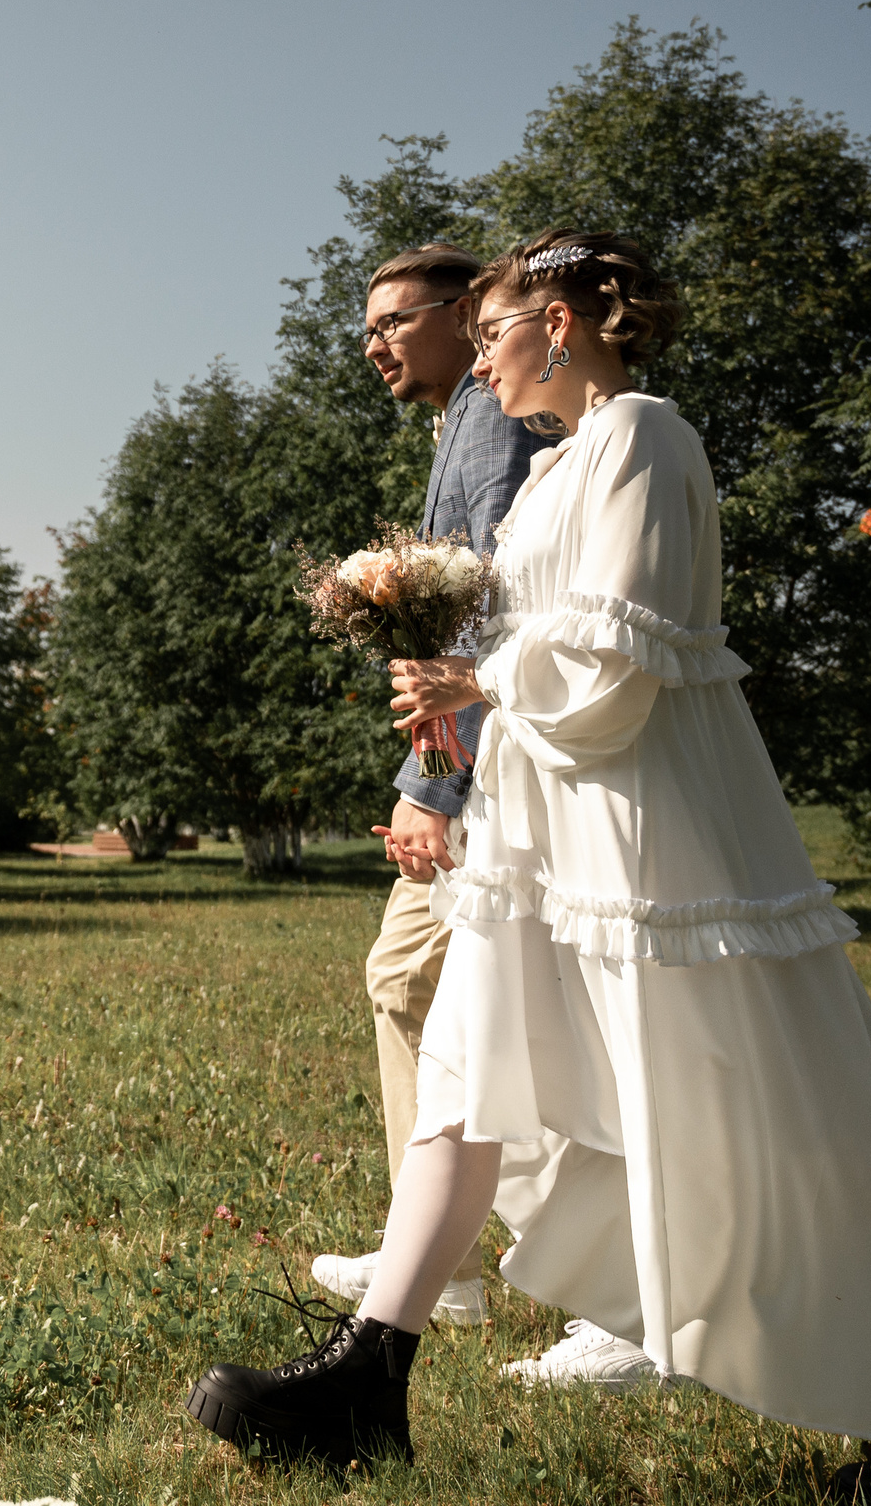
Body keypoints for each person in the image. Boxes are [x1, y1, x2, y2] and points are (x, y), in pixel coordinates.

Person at [185, 229, 871, 1504]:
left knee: (768, 1124)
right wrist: (450, 671)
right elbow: (536, 639)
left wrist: (477, 679)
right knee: (461, 1079)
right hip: (537, 834)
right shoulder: (557, 465)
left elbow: (618, 668)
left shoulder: (643, 438)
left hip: (642, 840)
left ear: (557, 324)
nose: (482, 364)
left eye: (494, 333)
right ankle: (364, 1379)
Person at [305, 243, 552, 1336]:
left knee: (410, 980)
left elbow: (494, 604)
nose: (375, 346)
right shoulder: (461, 418)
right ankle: (436, 1251)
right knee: (424, 990)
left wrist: (433, 787)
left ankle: (440, 1264)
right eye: (367, 329)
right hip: (476, 759)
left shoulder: (490, 419)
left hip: (489, 771)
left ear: (463, 315)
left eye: (394, 322)